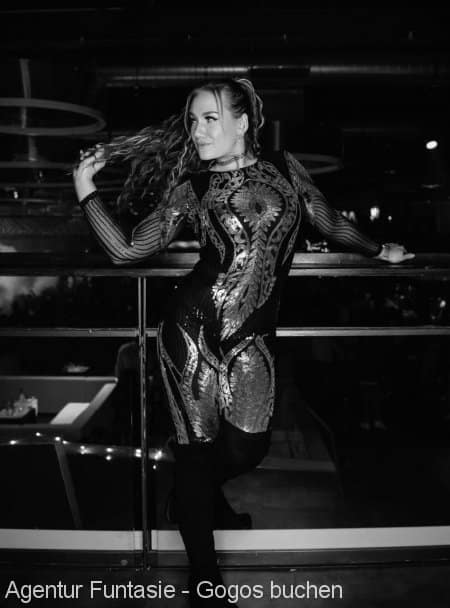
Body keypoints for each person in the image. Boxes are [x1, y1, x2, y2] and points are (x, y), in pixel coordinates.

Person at [73, 78, 414, 607]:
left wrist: (378, 250)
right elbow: (126, 250)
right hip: (189, 330)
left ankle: (191, 497)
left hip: (252, 336)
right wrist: (85, 188)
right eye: (193, 120)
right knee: (195, 455)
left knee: (248, 448)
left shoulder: (284, 167)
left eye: (210, 118)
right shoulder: (193, 186)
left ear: (243, 122)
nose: (198, 131)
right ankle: (206, 587)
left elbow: (326, 219)